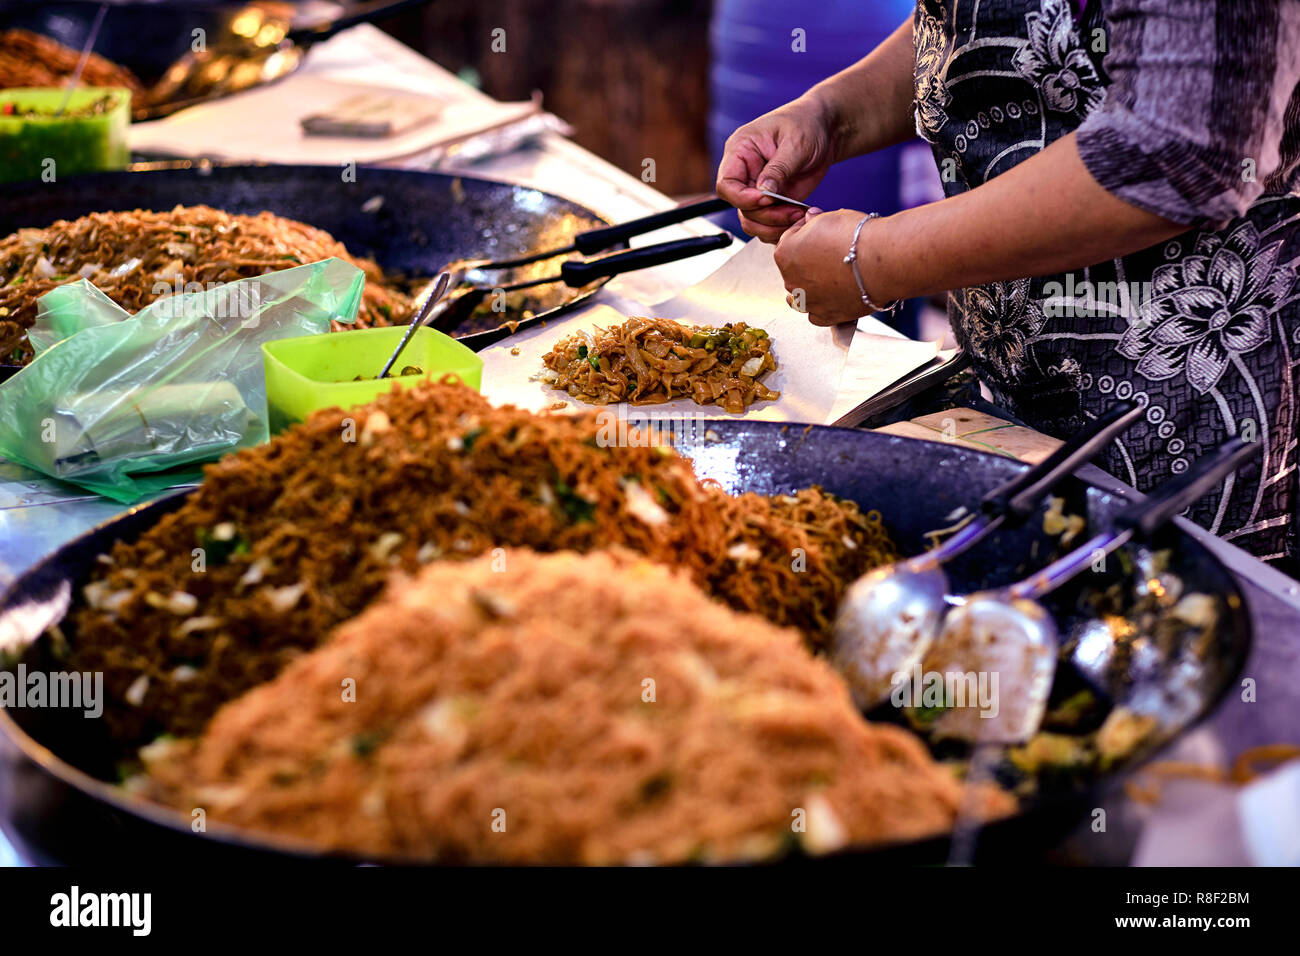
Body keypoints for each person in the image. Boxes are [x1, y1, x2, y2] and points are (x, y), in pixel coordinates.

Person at [717, 0, 1300, 569]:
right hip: (1007, 409)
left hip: (1193, 433)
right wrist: (831, 113)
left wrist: (872, 262)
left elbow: (1180, 148)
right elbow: (986, 23)